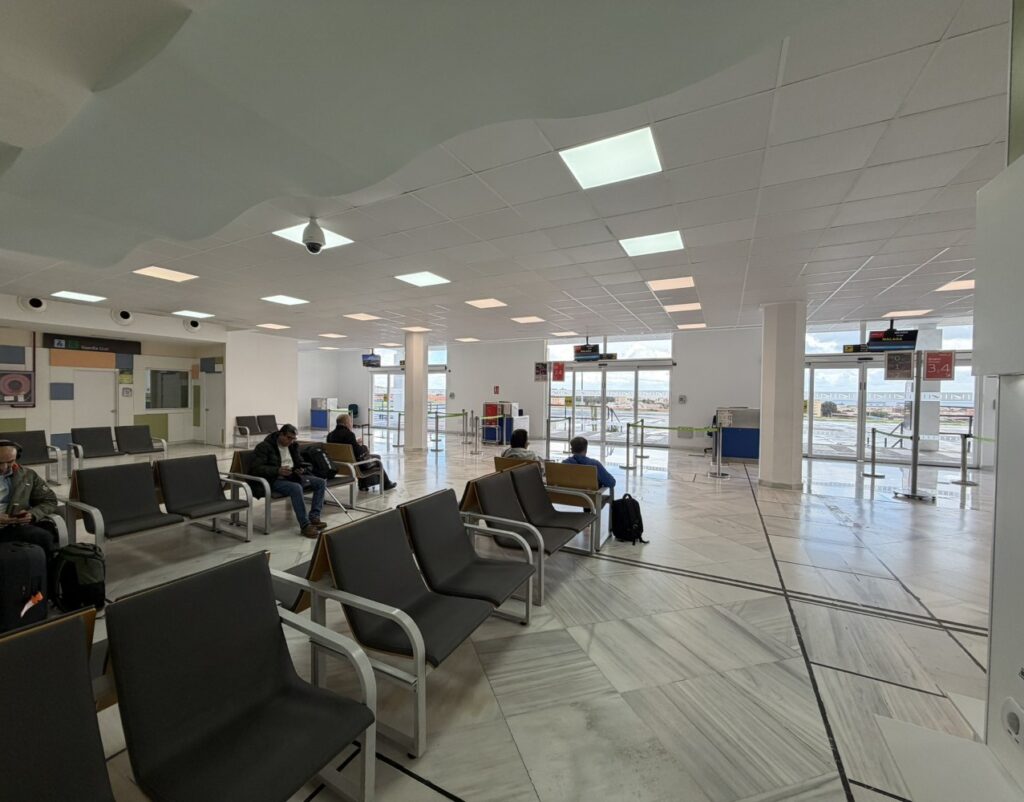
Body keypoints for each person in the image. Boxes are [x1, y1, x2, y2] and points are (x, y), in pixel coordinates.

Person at [249, 424, 326, 538]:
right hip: (274, 479)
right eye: (289, 438)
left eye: (293, 438)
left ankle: (314, 516)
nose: (291, 441)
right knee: (296, 488)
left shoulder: (293, 446)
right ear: (281, 434)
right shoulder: (265, 447)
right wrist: (277, 470)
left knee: (320, 482)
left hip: (292, 475)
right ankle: (305, 525)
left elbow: (300, 461)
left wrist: (301, 468)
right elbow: (256, 468)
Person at [0, 440, 59, 556]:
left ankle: (48, 573)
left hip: (13, 526)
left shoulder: (27, 476)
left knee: (45, 537)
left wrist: (32, 514)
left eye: (10, 462)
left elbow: (49, 500)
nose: (3, 468)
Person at [327, 414, 396, 491]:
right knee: (376, 458)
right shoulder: (349, 434)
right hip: (353, 466)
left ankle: (364, 485)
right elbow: (358, 453)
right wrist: (363, 446)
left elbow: (346, 447)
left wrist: (355, 443)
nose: (351, 424)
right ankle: (386, 484)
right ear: (346, 423)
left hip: (339, 465)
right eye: (351, 422)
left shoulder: (330, 435)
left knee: (371, 457)